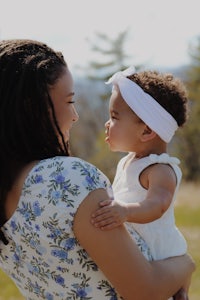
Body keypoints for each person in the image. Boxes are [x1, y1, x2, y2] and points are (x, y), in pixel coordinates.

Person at [0, 39, 194, 300]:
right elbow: (145, 290)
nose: (76, 115)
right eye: (69, 102)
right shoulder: (68, 179)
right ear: (31, 107)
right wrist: (186, 265)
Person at [91, 66, 192, 296]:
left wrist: (125, 211)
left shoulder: (159, 169)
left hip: (160, 258)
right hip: (136, 254)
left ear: (146, 131)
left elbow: (158, 204)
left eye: (114, 117)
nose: (107, 124)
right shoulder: (129, 161)